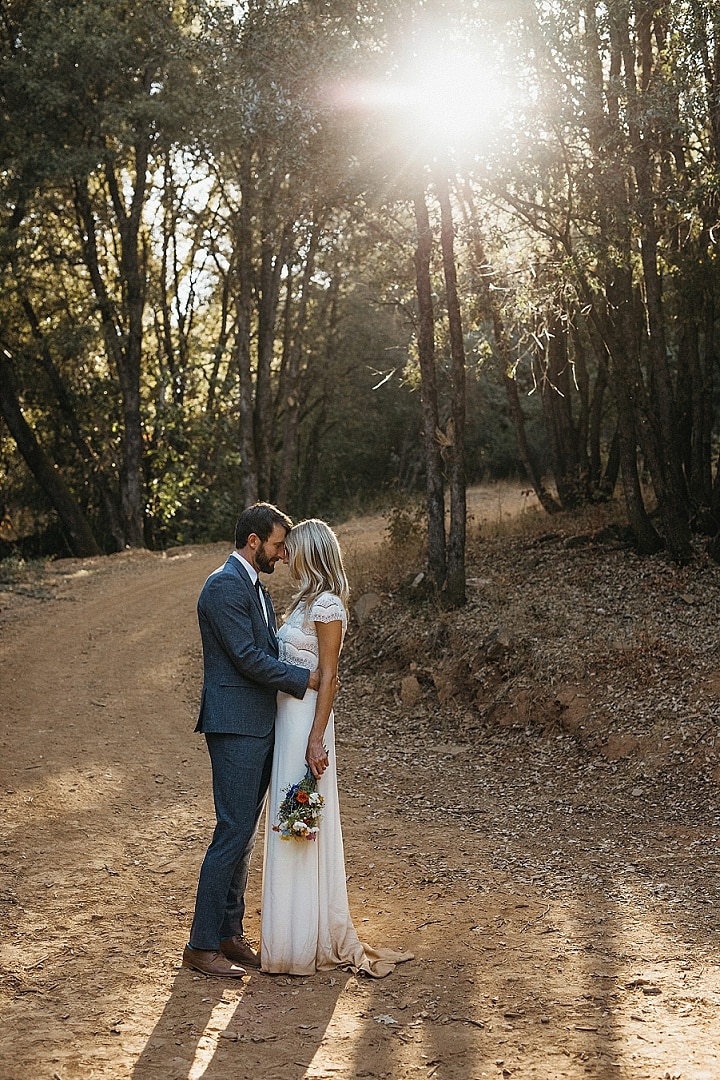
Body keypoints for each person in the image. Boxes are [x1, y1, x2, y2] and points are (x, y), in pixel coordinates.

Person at [260, 519, 413, 977]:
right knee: (286, 820)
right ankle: (284, 935)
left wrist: (314, 738)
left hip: (307, 724)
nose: (285, 555)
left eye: (293, 549)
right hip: (286, 722)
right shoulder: (304, 601)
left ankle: (301, 939)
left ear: (310, 553)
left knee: (299, 820)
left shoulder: (327, 605)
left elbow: (329, 677)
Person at [183, 503, 321, 978]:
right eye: (279, 545)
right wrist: (308, 679)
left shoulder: (255, 588)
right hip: (235, 725)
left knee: (243, 836)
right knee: (231, 832)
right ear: (254, 541)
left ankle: (228, 934)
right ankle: (201, 945)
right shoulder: (222, 586)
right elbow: (245, 657)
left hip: (259, 724)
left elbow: (263, 650)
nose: (284, 555)